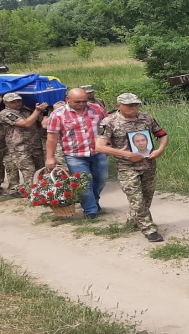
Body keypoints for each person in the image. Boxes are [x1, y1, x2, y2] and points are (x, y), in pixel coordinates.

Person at [96, 93, 169, 242]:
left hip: (148, 164)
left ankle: (135, 220)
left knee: (146, 198)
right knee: (136, 199)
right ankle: (149, 229)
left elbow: (162, 134)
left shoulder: (147, 118)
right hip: (126, 167)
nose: (134, 108)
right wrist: (127, 155)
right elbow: (100, 147)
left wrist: (160, 149)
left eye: (136, 104)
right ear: (119, 106)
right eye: (129, 105)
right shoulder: (109, 122)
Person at [45, 88, 108, 219]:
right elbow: (52, 137)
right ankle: (90, 210)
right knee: (84, 182)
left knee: (101, 179)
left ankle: (94, 201)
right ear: (67, 99)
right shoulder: (58, 114)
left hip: (98, 151)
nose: (81, 104)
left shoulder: (96, 109)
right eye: (77, 102)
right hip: (74, 155)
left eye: (84, 101)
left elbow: (109, 126)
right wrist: (50, 157)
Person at [0, 93, 46, 197]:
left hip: (35, 145)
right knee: (28, 171)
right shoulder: (5, 113)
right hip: (19, 148)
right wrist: (37, 111)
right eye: (13, 102)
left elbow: (41, 120)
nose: (17, 103)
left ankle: (43, 191)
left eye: (18, 101)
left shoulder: (26, 110)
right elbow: (26, 123)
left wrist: (41, 111)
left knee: (40, 169)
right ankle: (33, 194)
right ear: (6, 103)